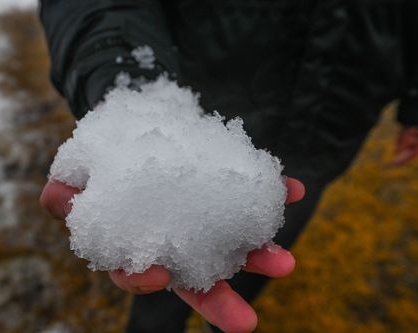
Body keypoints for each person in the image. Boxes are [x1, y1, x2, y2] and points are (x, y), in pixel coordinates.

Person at [38, 1, 418, 332]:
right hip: (202, 107)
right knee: (163, 282)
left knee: (256, 257)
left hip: (329, 126)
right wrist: (126, 85)